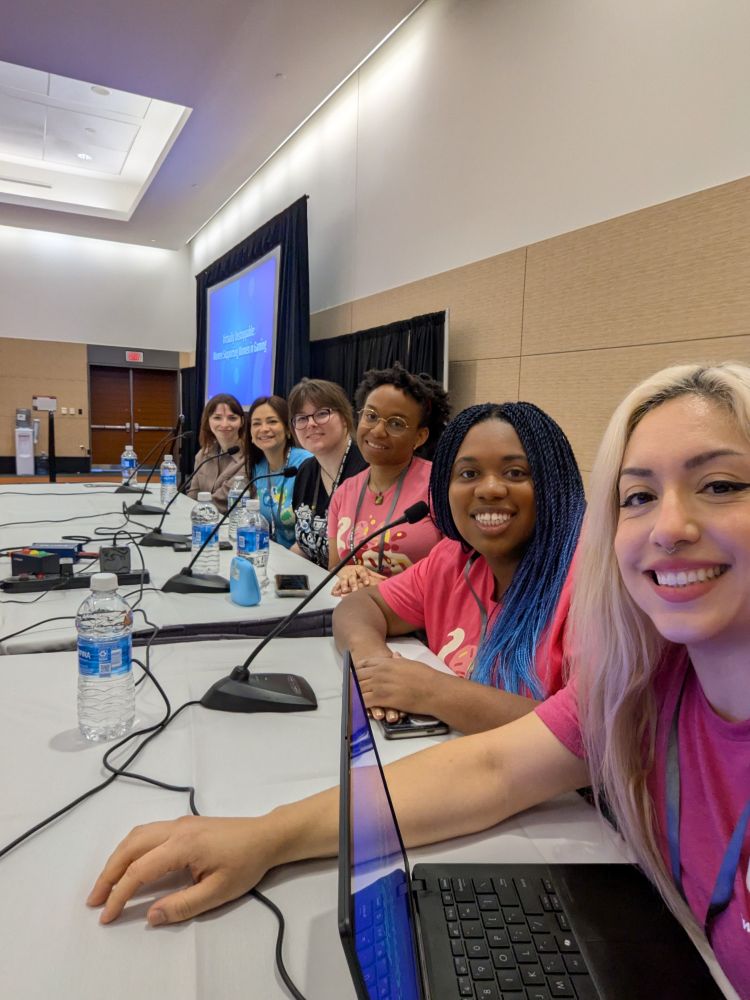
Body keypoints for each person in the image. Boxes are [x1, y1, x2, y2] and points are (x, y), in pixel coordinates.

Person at [88, 363, 750, 998]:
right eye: (638, 496)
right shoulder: (647, 684)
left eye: (721, 485)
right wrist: (266, 836)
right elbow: (491, 768)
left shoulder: (602, 611)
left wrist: (428, 691)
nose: (670, 527)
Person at [332, 401, 585, 732]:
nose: (490, 488)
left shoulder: (590, 584)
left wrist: (432, 691)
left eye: (516, 473)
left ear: (554, 482)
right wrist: (375, 665)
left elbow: (591, 736)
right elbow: (360, 605)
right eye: (469, 474)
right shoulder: (453, 558)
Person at [327, 364, 449, 594]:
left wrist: (391, 588)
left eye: (396, 423)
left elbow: (458, 574)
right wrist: (346, 571)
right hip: (353, 614)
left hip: (417, 623)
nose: (378, 431)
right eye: (371, 416)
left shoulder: (441, 487)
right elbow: (334, 565)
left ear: (420, 436)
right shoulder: (344, 492)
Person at [288, 378, 367, 567]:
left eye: (322, 414)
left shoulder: (366, 469)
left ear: (345, 417)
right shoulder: (305, 471)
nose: (311, 424)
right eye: (302, 418)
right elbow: (305, 546)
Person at [244, 395, 311, 547]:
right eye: (256, 423)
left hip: (303, 559)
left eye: (272, 421)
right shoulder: (258, 467)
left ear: (288, 429)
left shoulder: (305, 464)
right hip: (270, 551)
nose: (264, 429)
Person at [187, 394, 245, 512]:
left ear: (242, 422)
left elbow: (222, 501)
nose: (224, 424)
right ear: (208, 421)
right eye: (217, 418)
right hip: (201, 521)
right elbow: (193, 494)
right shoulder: (203, 455)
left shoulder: (249, 457)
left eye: (232, 418)